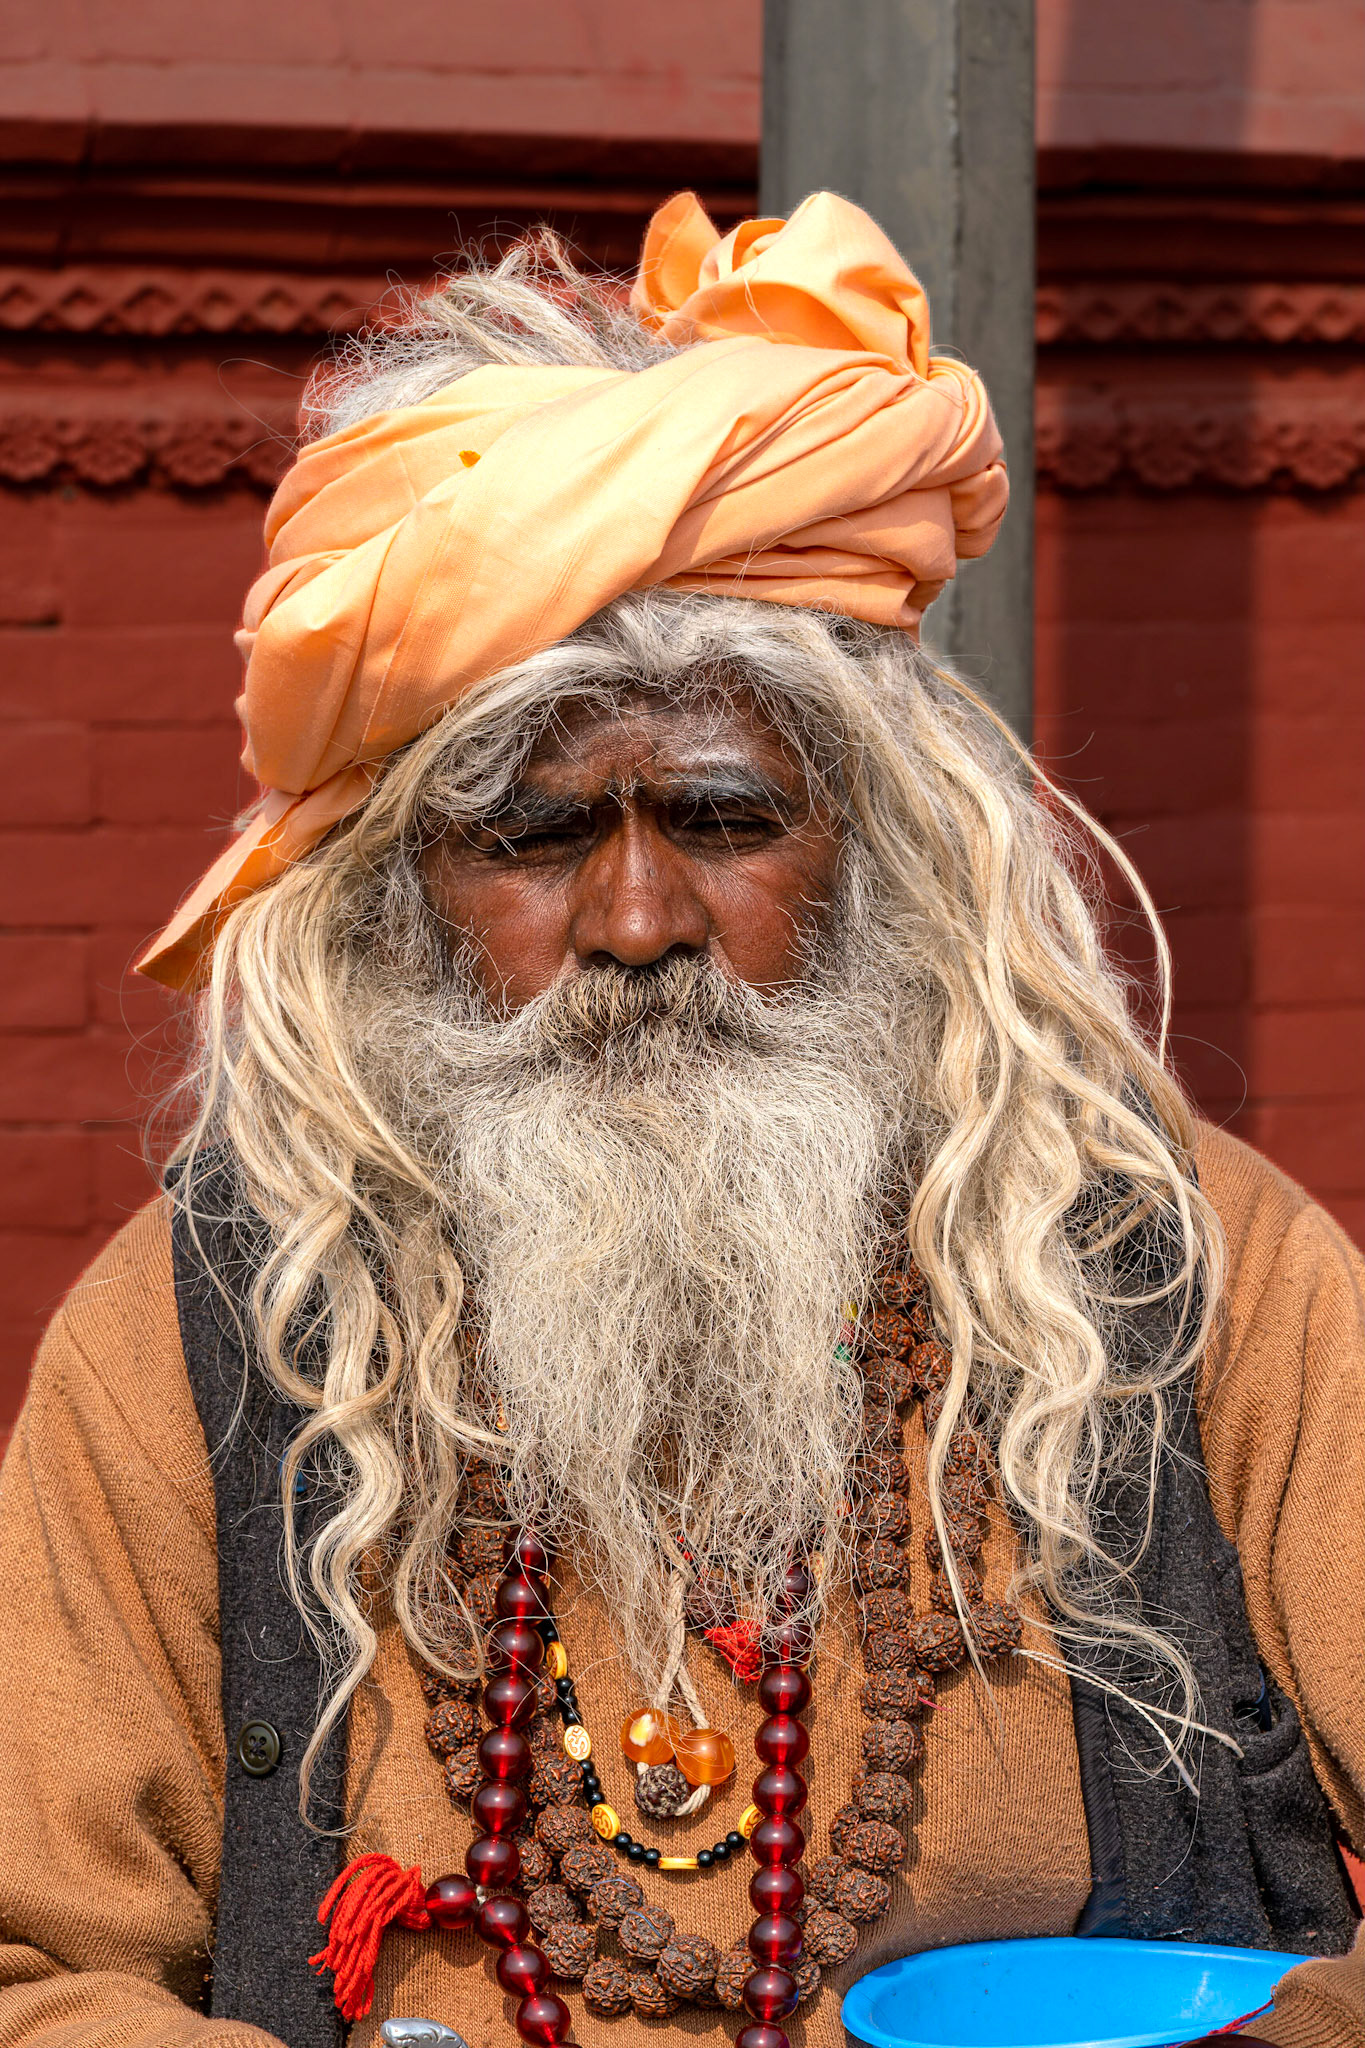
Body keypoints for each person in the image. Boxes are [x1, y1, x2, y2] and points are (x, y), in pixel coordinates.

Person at [0, 191, 1362, 2048]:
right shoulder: (204, 1333)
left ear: (873, 850)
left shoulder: (1182, 1275)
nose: (637, 926)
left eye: (723, 822)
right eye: (535, 835)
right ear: (401, 889)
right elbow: (35, 1969)